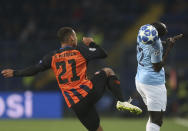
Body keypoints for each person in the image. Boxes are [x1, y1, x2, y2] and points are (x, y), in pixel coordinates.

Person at [2, 27, 142, 131]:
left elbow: (34, 69)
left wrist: (15, 73)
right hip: (88, 92)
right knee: (108, 71)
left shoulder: (52, 57)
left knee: (97, 130)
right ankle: (122, 102)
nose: (76, 39)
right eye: (75, 36)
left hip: (75, 105)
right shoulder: (79, 50)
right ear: (70, 39)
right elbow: (102, 54)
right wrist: (91, 43)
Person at [135, 22, 183, 131]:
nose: (166, 31)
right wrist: (169, 47)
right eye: (165, 30)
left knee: (153, 116)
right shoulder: (156, 44)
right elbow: (157, 67)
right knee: (156, 120)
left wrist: (165, 43)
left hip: (140, 80)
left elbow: (149, 47)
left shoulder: (142, 30)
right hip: (153, 84)